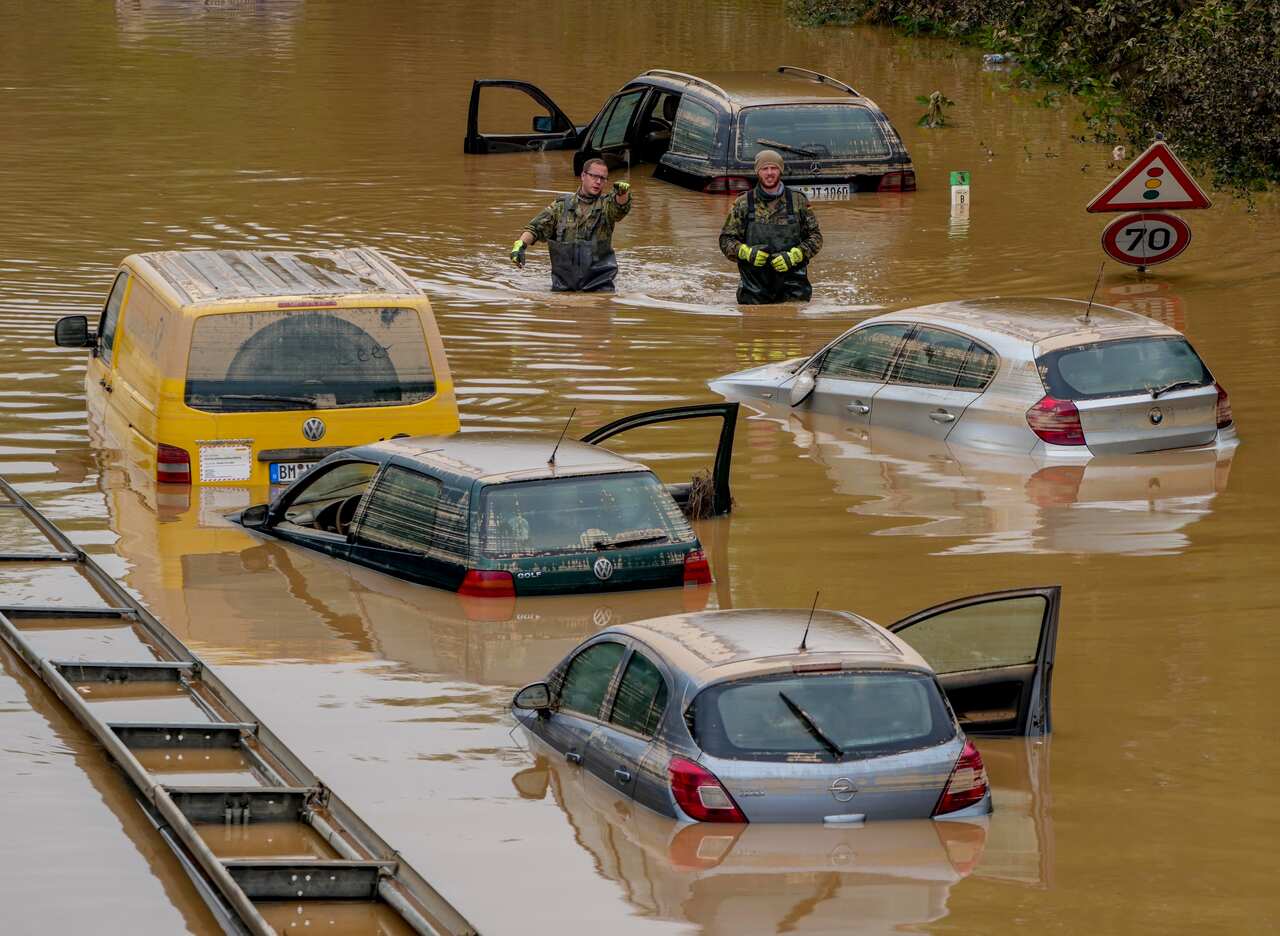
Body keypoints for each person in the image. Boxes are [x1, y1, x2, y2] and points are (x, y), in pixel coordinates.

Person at [510, 158, 631, 292]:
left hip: (600, 287)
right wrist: (520, 245)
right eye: (594, 176)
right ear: (583, 176)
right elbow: (535, 228)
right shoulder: (560, 206)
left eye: (603, 178)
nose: (598, 182)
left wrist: (622, 194)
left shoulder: (607, 206)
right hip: (563, 287)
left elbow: (620, 208)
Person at [719, 149, 823, 305]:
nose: (769, 173)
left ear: (780, 170)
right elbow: (726, 240)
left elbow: (816, 237)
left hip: (794, 289)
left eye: (773, 168)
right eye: (764, 168)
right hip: (754, 291)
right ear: (758, 172)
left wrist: (796, 255)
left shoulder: (798, 201)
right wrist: (745, 252)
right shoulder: (743, 203)